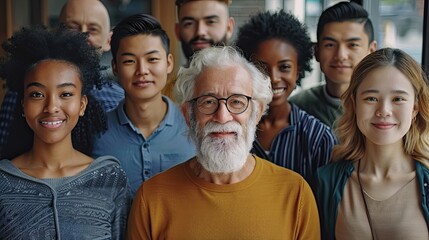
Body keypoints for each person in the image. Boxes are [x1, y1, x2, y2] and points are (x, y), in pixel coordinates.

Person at [127, 46, 320, 239]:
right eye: (208, 102)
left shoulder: (296, 194)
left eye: (237, 102)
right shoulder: (151, 198)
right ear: (188, 114)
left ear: (257, 112)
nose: (222, 116)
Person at [0, 26, 131, 239]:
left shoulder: (110, 179)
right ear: (23, 105)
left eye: (66, 93)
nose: (52, 106)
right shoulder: (3, 182)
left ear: (82, 104)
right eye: (37, 94)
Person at [315, 48, 429, 240]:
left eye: (398, 99)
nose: (384, 110)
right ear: (354, 103)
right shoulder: (326, 181)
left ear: (415, 108)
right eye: (371, 98)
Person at [92, 14, 196, 196]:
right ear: (115, 67)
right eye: (129, 61)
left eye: (152, 59)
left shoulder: (193, 126)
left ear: (169, 63)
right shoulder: (95, 133)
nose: (142, 71)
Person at [0, 0, 124, 152]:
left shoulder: (118, 99)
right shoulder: (21, 90)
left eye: (92, 29)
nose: (82, 36)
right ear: (56, 31)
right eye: (72, 27)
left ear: (108, 41)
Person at [236, 10, 337, 183]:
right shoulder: (232, 129)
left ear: (298, 70)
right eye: (261, 68)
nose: (273, 78)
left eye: (284, 67)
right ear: (247, 70)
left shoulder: (318, 138)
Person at [290, 1, 377, 128]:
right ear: (316, 51)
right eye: (330, 45)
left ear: (371, 51)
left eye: (352, 45)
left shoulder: (384, 107)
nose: (341, 55)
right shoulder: (297, 107)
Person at [163, 0, 235, 99]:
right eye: (189, 24)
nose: (200, 32)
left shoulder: (250, 88)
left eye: (210, 22)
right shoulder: (164, 97)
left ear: (229, 27)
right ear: (178, 31)